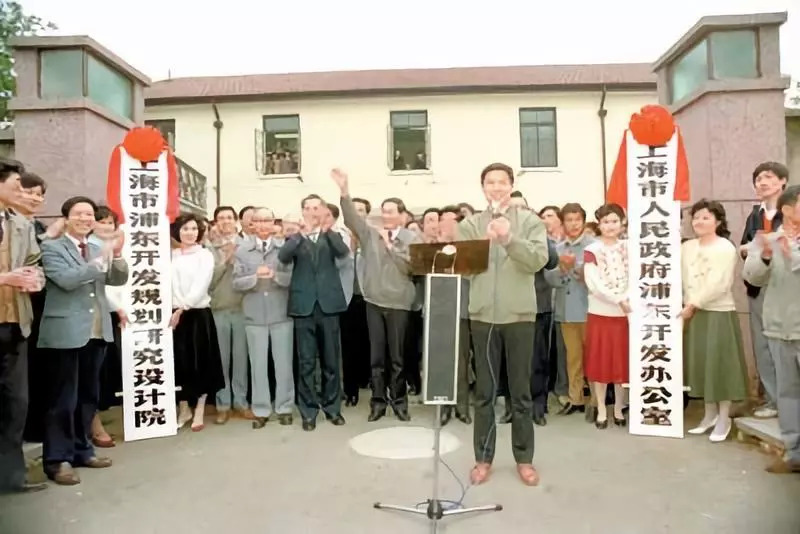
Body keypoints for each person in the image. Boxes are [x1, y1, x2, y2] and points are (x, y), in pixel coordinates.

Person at [458, 162, 549, 487]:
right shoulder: (470, 224)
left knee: (521, 392)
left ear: (511, 186)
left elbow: (538, 260)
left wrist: (509, 239)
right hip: (483, 316)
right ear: (483, 187)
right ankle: (483, 458)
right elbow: (463, 267)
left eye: (501, 182)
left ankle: (524, 458)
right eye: (490, 182)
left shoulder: (530, 221)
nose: (496, 187)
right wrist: (484, 243)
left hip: (519, 315)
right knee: (484, 393)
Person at [38, 196, 128, 486]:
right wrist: (99, 261)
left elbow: (117, 279)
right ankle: (57, 459)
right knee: (62, 399)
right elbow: (66, 280)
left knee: (88, 397)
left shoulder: (97, 248)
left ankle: (82, 450)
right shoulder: (51, 247)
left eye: (89, 215)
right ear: (66, 218)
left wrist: (116, 256)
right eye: (78, 214)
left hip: (97, 330)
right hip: (65, 333)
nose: (85, 219)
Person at [332, 168, 419, 422]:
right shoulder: (370, 233)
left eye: (391, 212)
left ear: (402, 215)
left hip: (399, 303)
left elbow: (411, 268)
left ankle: (399, 401)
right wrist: (344, 191)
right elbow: (351, 219)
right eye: (383, 211)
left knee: (398, 358)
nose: (385, 216)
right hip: (373, 301)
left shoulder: (413, 238)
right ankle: (378, 402)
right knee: (377, 357)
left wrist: (390, 245)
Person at [279, 195, 349, 431]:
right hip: (304, 306)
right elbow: (283, 257)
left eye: (316, 208)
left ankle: (332, 408)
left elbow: (343, 253)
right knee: (306, 362)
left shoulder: (332, 235)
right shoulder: (295, 238)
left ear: (323, 211)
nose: (311, 212)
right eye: (307, 208)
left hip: (328, 306)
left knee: (331, 361)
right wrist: (300, 234)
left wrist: (327, 230)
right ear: (303, 212)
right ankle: (308, 411)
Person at [743, 184, 800, 473]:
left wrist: (792, 256)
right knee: (788, 395)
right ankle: (794, 454)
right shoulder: (770, 240)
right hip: (780, 328)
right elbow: (751, 276)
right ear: (787, 209)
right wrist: (765, 256)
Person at [681, 199, 747, 442]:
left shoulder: (725, 247)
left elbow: (719, 283)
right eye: (696, 217)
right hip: (692, 312)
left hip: (717, 312)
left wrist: (693, 304)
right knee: (701, 365)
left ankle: (724, 417)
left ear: (718, 222)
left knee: (720, 365)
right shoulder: (687, 247)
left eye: (706, 217)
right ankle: (708, 414)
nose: (699, 221)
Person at [0, 159, 47, 493]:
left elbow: (33, 262)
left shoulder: (21, 223)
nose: (23, 190)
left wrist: (35, 279)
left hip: (16, 322)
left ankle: (11, 478)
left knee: (15, 404)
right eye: (17, 185)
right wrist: (6, 278)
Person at [234, 208, 294, 429]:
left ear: (273, 223)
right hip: (254, 315)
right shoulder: (242, 250)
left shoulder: (284, 249)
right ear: (252, 224)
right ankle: (261, 409)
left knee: (283, 364)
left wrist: (275, 276)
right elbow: (236, 282)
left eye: (267, 220)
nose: (262, 225)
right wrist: (254, 277)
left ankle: (285, 407)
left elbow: (293, 278)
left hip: (281, 313)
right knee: (258, 366)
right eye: (258, 220)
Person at [740, 161, 788, 420]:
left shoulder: (792, 212)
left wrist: (760, 247)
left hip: (786, 290)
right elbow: (743, 248)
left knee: (787, 347)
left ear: (782, 181)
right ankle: (772, 400)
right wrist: (755, 249)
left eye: (768, 177)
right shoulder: (754, 216)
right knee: (763, 346)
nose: (762, 182)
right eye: (758, 179)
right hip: (758, 288)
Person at [170, 213, 225, 432]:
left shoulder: (204, 255)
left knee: (200, 363)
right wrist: (175, 308)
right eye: (185, 229)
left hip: (197, 314)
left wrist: (183, 307)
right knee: (179, 363)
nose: (190, 233)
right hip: (174, 315)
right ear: (177, 231)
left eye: (194, 229)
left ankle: (200, 409)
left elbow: (202, 284)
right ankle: (184, 408)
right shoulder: (171, 255)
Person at [582, 203, 630, 429]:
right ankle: (601, 408)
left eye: (614, 221)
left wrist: (627, 298)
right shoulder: (592, 250)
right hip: (600, 312)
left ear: (622, 223)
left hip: (626, 313)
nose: (610, 226)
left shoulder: (629, 247)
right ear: (599, 225)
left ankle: (619, 408)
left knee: (622, 363)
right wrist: (617, 298)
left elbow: (638, 276)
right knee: (600, 363)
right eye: (605, 222)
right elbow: (594, 283)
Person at [208, 206, 251, 424]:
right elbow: (208, 282)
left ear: (235, 221)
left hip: (243, 309)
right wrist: (225, 261)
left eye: (229, 217)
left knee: (241, 359)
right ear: (215, 222)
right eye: (221, 218)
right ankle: (223, 404)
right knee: (222, 360)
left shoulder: (247, 245)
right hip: (219, 309)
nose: (225, 221)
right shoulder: (209, 248)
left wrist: (238, 259)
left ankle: (241, 402)